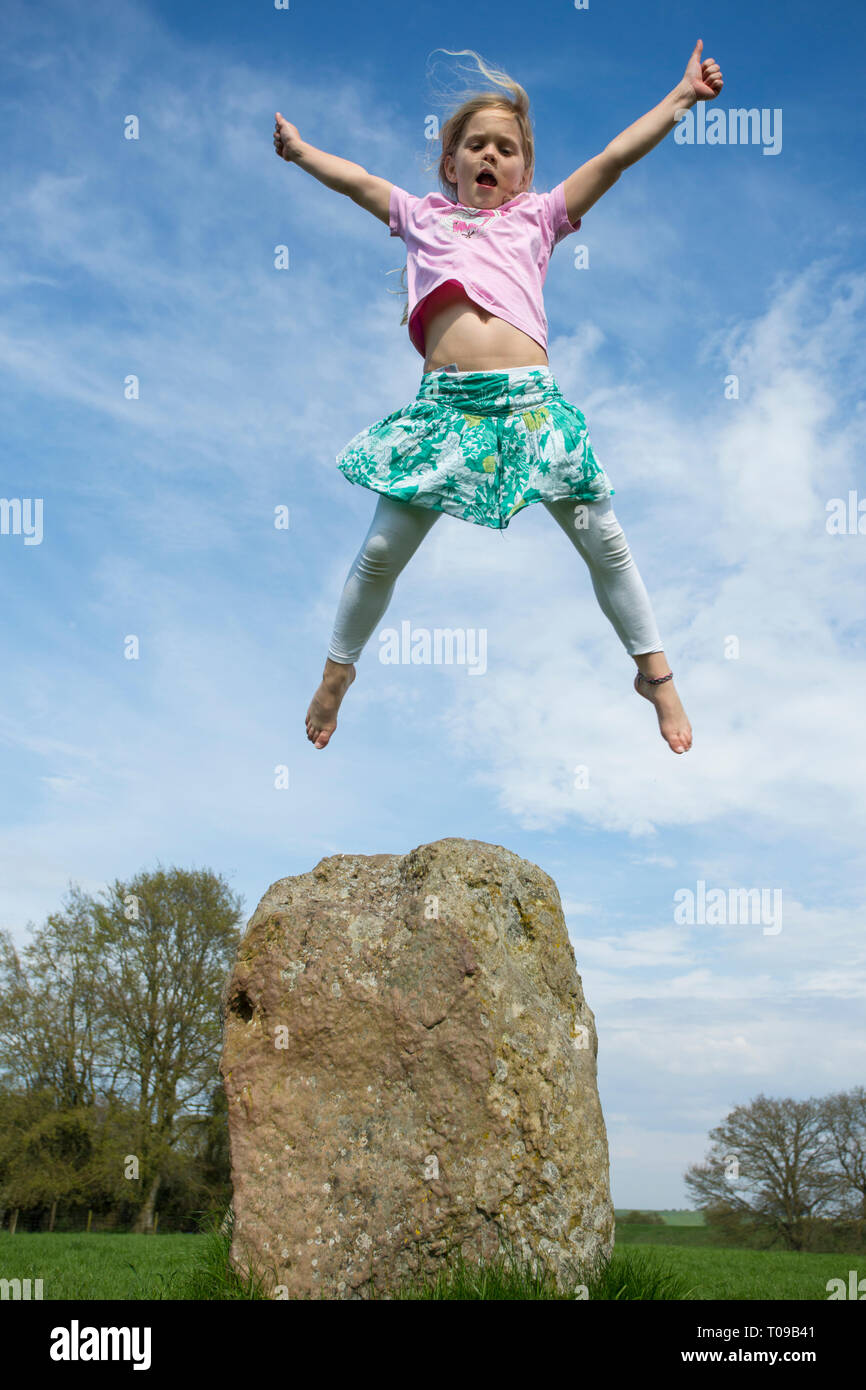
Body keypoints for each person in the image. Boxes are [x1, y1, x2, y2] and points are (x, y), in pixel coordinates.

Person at [275, 40, 723, 754]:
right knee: (381, 552)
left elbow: (612, 158)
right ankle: (337, 673)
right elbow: (358, 181)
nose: (490, 157)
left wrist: (680, 99)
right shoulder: (423, 218)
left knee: (605, 541)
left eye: (506, 148)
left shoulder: (538, 220)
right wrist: (302, 153)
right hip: (444, 412)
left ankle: (656, 675)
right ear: (450, 165)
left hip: (531, 408)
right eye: (475, 146)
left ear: (526, 168)